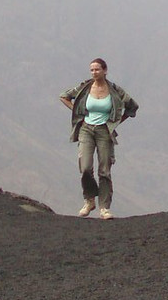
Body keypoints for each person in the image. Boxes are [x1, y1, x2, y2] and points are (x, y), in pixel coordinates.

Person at [59, 58, 139, 219]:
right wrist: (77, 111)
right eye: (92, 70)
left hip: (104, 131)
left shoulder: (115, 90)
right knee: (86, 166)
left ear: (105, 70)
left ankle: (104, 208)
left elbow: (132, 106)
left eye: (97, 69)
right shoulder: (85, 88)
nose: (94, 72)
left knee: (104, 170)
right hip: (86, 129)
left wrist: (115, 122)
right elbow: (64, 96)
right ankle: (89, 200)